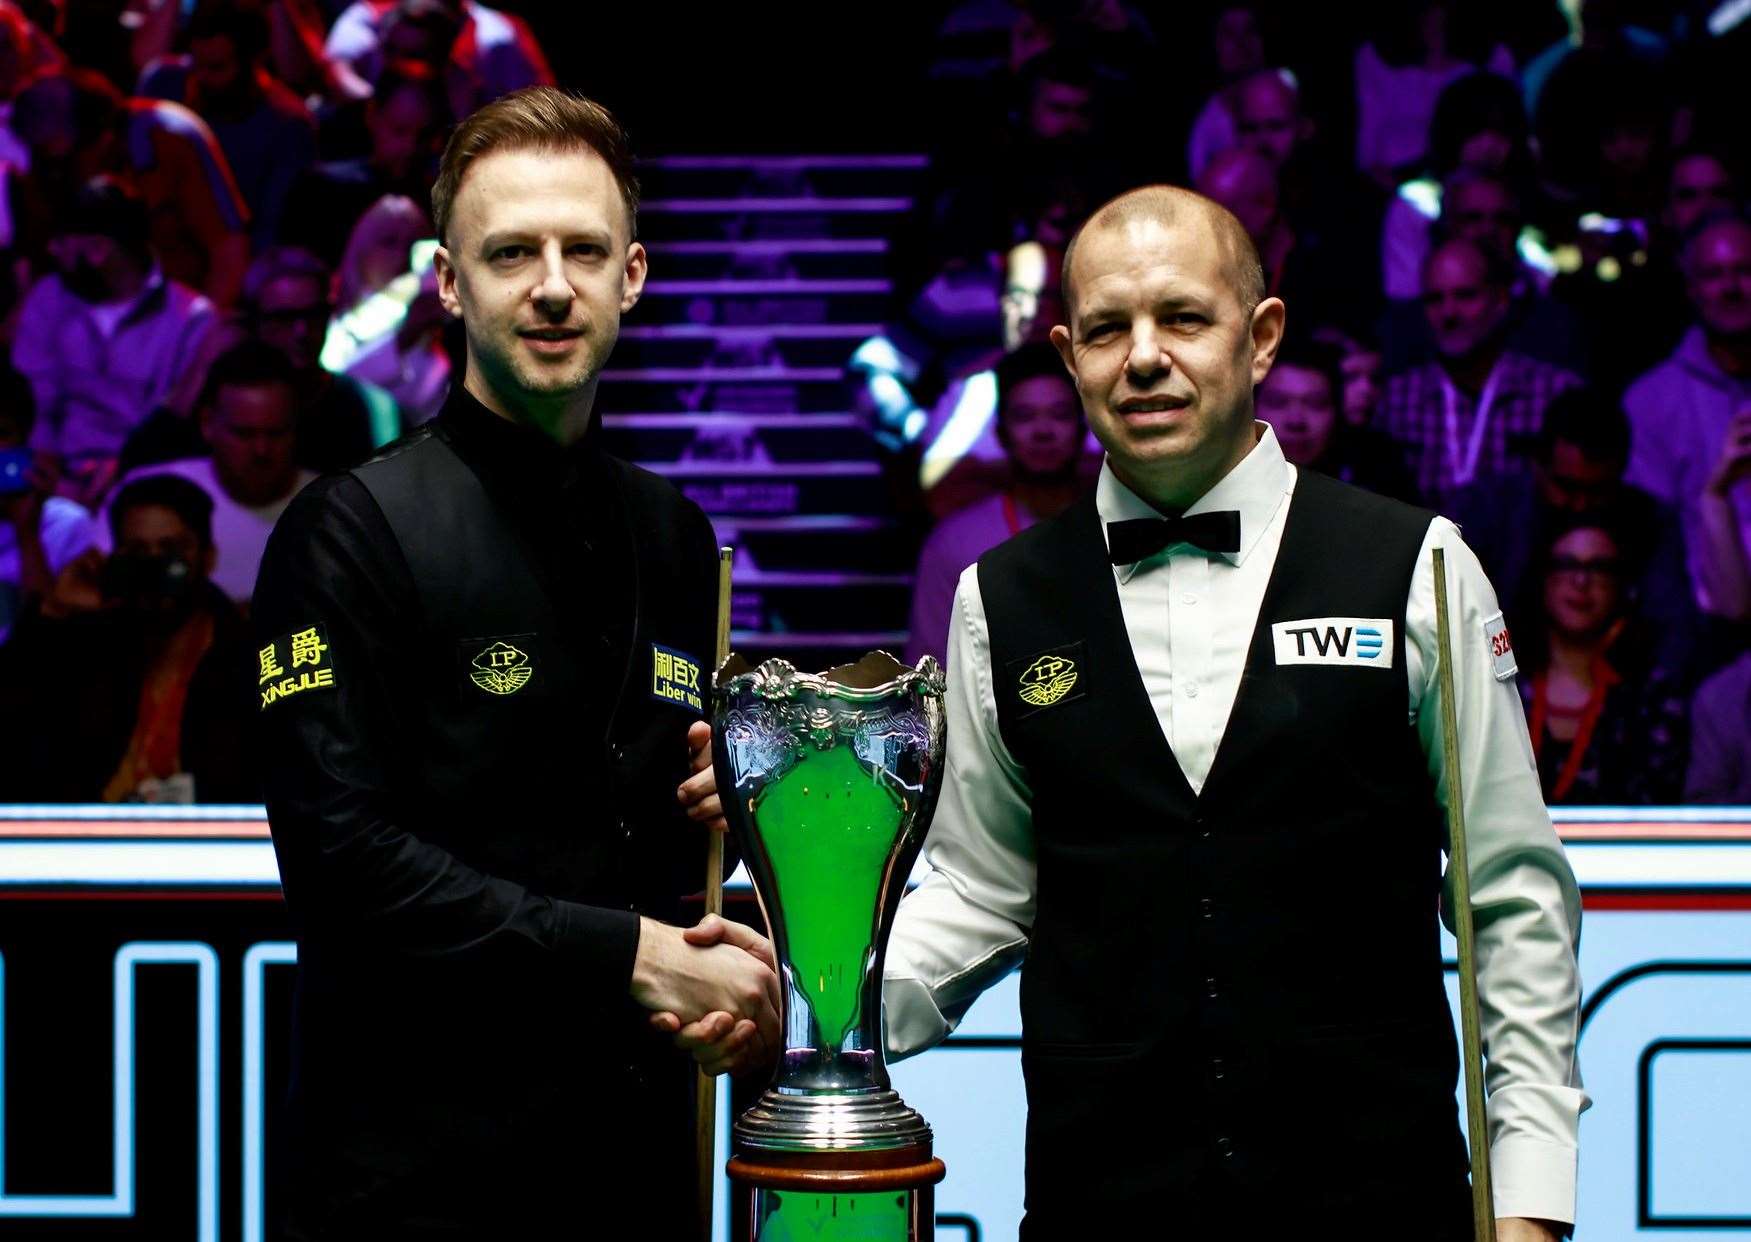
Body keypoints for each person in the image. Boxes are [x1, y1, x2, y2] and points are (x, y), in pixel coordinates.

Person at [678, 185, 1586, 1238]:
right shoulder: (999, 598)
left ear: (1261, 339)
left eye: (1182, 318)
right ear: (1066, 357)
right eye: (1106, 329)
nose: (1142, 357)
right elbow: (980, 892)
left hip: (1378, 1197)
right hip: (1102, 1201)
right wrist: (798, 999)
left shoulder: (1415, 567)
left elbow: (1507, 905)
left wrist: (1527, 1200)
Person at [250, 86, 778, 1238]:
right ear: (448, 282)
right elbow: (341, 864)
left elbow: (654, 840)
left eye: (583, 250)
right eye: (511, 252)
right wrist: (627, 954)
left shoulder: (679, 538)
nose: (551, 284)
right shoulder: (347, 529)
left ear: (631, 276)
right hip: (409, 1177)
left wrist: (722, 823)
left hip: (631, 1166)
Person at [0, 473, 257, 803]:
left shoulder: (244, 651)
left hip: (211, 839)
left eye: (172, 549)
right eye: (137, 550)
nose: (155, 564)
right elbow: (11, 732)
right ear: (116, 556)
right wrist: (54, 612)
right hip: (93, 839)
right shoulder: (85, 642)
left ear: (208, 556)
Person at [1452, 387, 1697, 676]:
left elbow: (1673, 629)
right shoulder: (1488, 511)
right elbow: (1458, 618)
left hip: (1617, 689)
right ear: (1538, 466)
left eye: (1597, 491)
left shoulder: (1649, 522)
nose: (1580, 505)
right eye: (1567, 487)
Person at [10, 174, 218, 506]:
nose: (52, 249)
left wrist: (124, 467)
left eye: (63, 239)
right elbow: (33, 402)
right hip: (53, 484)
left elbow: (175, 423)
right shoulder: (48, 298)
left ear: (98, 249)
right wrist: (47, 467)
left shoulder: (191, 318)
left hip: (149, 483)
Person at [905, 342, 1084, 667]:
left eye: (1059, 415)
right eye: (1024, 416)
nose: (1043, 431)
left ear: (1084, 428)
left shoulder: (1120, 526)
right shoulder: (955, 543)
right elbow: (928, 673)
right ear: (1001, 432)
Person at [10, 66, 250, 304]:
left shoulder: (169, 136)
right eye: (46, 157)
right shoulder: (44, 166)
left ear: (104, 137)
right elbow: (36, 264)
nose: (58, 172)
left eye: (67, 158)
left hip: (178, 312)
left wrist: (196, 333)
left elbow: (228, 252)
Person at [100, 342, 316, 608]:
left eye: (276, 433)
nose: (261, 450)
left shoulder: (334, 508)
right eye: (243, 434)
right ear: (207, 424)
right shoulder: (146, 496)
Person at [1377, 236, 1580, 509]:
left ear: (1501, 300)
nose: (1449, 312)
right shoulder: (1395, 399)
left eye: (1465, 296)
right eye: (1434, 299)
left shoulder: (1554, 393)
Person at [1623, 212, 1751, 617]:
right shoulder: (1651, 401)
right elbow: (1647, 546)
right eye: (1714, 275)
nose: (1731, 287)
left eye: (1744, 271)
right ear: (1692, 288)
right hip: (1704, 639)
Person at [1514, 516, 1689, 805]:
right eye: (1567, 565)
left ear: (1625, 587)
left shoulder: (1652, 697)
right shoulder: (1501, 683)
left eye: (1599, 569)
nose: (1581, 582)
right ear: (1541, 580)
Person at [135, 3, 317, 250]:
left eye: (217, 68)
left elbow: (270, 230)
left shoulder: (288, 126)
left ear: (253, 61)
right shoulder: (164, 84)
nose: (201, 78)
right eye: (196, 64)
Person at [0, 364, 97, 641]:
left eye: (2, 433)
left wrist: (27, 534)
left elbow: (48, 641)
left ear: (24, 440)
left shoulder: (68, 524)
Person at [1255, 337, 1414, 500]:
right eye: (1277, 403)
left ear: (1338, 412)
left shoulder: (1377, 489)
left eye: (1315, 404)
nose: (1296, 421)